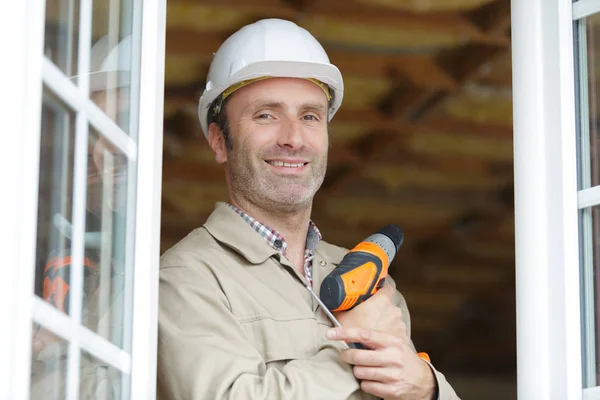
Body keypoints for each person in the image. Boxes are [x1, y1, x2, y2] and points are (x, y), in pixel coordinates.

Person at [157, 18, 460, 400]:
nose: (293, 138)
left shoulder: (370, 283)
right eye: (267, 114)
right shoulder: (187, 278)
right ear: (219, 141)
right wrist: (352, 353)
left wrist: (427, 386)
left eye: (310, 116)